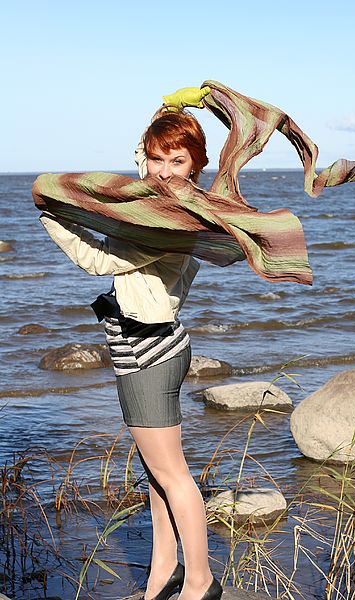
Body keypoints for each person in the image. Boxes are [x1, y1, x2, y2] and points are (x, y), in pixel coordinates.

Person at [39, 101, 223, 600]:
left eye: (177, 161)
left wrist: (52, 211)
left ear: (196, 166)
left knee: (173, 476)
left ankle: (200, 580)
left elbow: (98, 259)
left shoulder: (174, 221)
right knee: (156, 476)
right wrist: (166, 112)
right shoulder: (158, 197)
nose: (162, 171)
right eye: (155, 159)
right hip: (140, 348)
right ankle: (164, 570)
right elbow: (144, 155)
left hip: (149, 354)